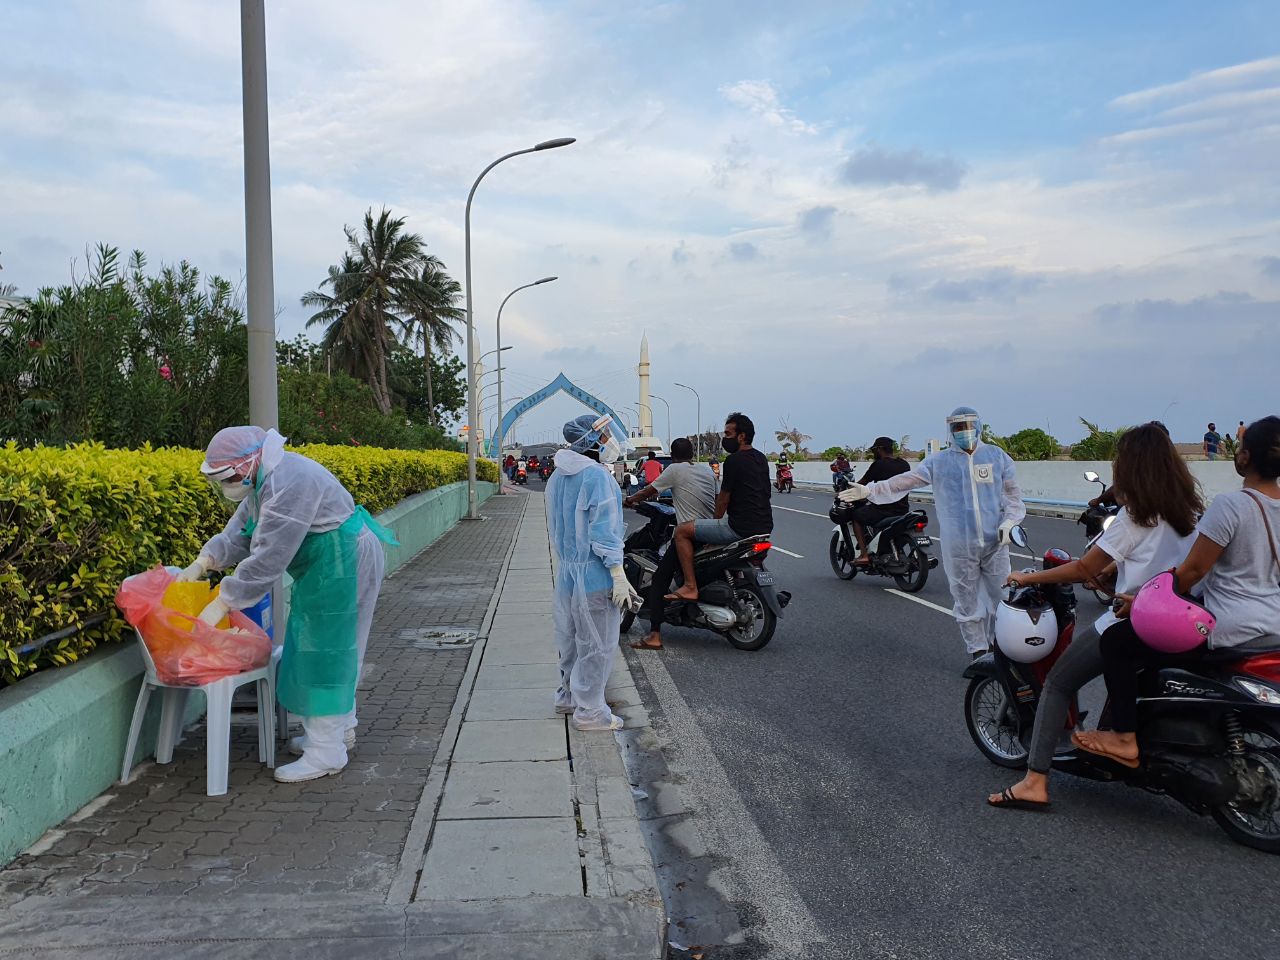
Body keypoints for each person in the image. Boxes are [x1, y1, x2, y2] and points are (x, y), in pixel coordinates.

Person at [984, 422, 1201, 808]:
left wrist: (1027, 575)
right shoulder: (1189, 512)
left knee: (1057, 682)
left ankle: (1034, 781)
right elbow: (1162, 565)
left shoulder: (1135, 516)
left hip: (1133, 620)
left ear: (1131, 468)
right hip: (1177, 619)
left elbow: (1083, 568)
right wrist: (1113, 575)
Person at [177, 426, 396, 783]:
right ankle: (337, 731)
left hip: (342, 562)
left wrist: (225, 600)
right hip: (331, 562)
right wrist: (204, 561)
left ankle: (326, 752)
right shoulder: (263, 483)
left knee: (325, 651)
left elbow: (269, 555)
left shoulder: (289, 482)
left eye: (230, 476)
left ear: (250, 461)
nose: (228, 484)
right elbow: (242, 532)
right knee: (331, 648)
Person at [1073, 415, 1280, 769]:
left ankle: (1123, 737)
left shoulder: (1232, 505)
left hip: (1228, 625)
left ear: (1244, 458)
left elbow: (1192, 571)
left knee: (1118, 643)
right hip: (1272, 625)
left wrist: (1142, 602)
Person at [839, 407, 1024, 658]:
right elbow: (907, 480)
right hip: (959, 545)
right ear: (951, 430)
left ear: (978, 426)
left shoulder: (997, 457)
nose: (964, 432)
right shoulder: (940, 461)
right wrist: (870, 491)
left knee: (1002, 596)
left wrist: (1010, 522)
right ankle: (978, 652)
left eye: (968, 426)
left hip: (995, 543)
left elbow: (1013, 497)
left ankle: (1000, 647)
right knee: (965, 597)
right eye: (958, 427)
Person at [547, 414, 641, 731]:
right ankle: (590, 712)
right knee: (598, 643)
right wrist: (617, 573)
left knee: (571, 638)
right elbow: (604, 532)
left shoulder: (558, 476)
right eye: (604, 435)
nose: (609, 441)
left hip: (568, 574)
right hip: (595, 573)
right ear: (590, 440)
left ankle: (568, 696)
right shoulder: (598, 477)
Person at [667, 412, 773, 602]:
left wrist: (713, 526)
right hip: (764, 527)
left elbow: (723, 500)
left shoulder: (733, 461)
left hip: (739, 528)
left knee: (682, 531)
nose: (724, 438)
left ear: (741, 436)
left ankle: (690, 586)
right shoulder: (761, 458)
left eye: (728, 434)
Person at [623, 437, 716, 650]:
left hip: (690, 533)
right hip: (710, 530)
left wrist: (630, 500)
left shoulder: (674, 470)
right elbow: (717, 498)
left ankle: (654, 635)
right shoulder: (707, 471)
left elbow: (649, 491)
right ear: (692, 453)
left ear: (673, 456)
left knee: (659, 580)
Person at [846, 437, 911, 565]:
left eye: (875, 449)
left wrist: (845, 491)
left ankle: (864, 555)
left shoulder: (879, 464)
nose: (874, 452)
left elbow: (862, 483)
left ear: (880, 449)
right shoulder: (904, 464)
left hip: (883, 510)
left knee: (856, 517)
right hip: (903, 509)